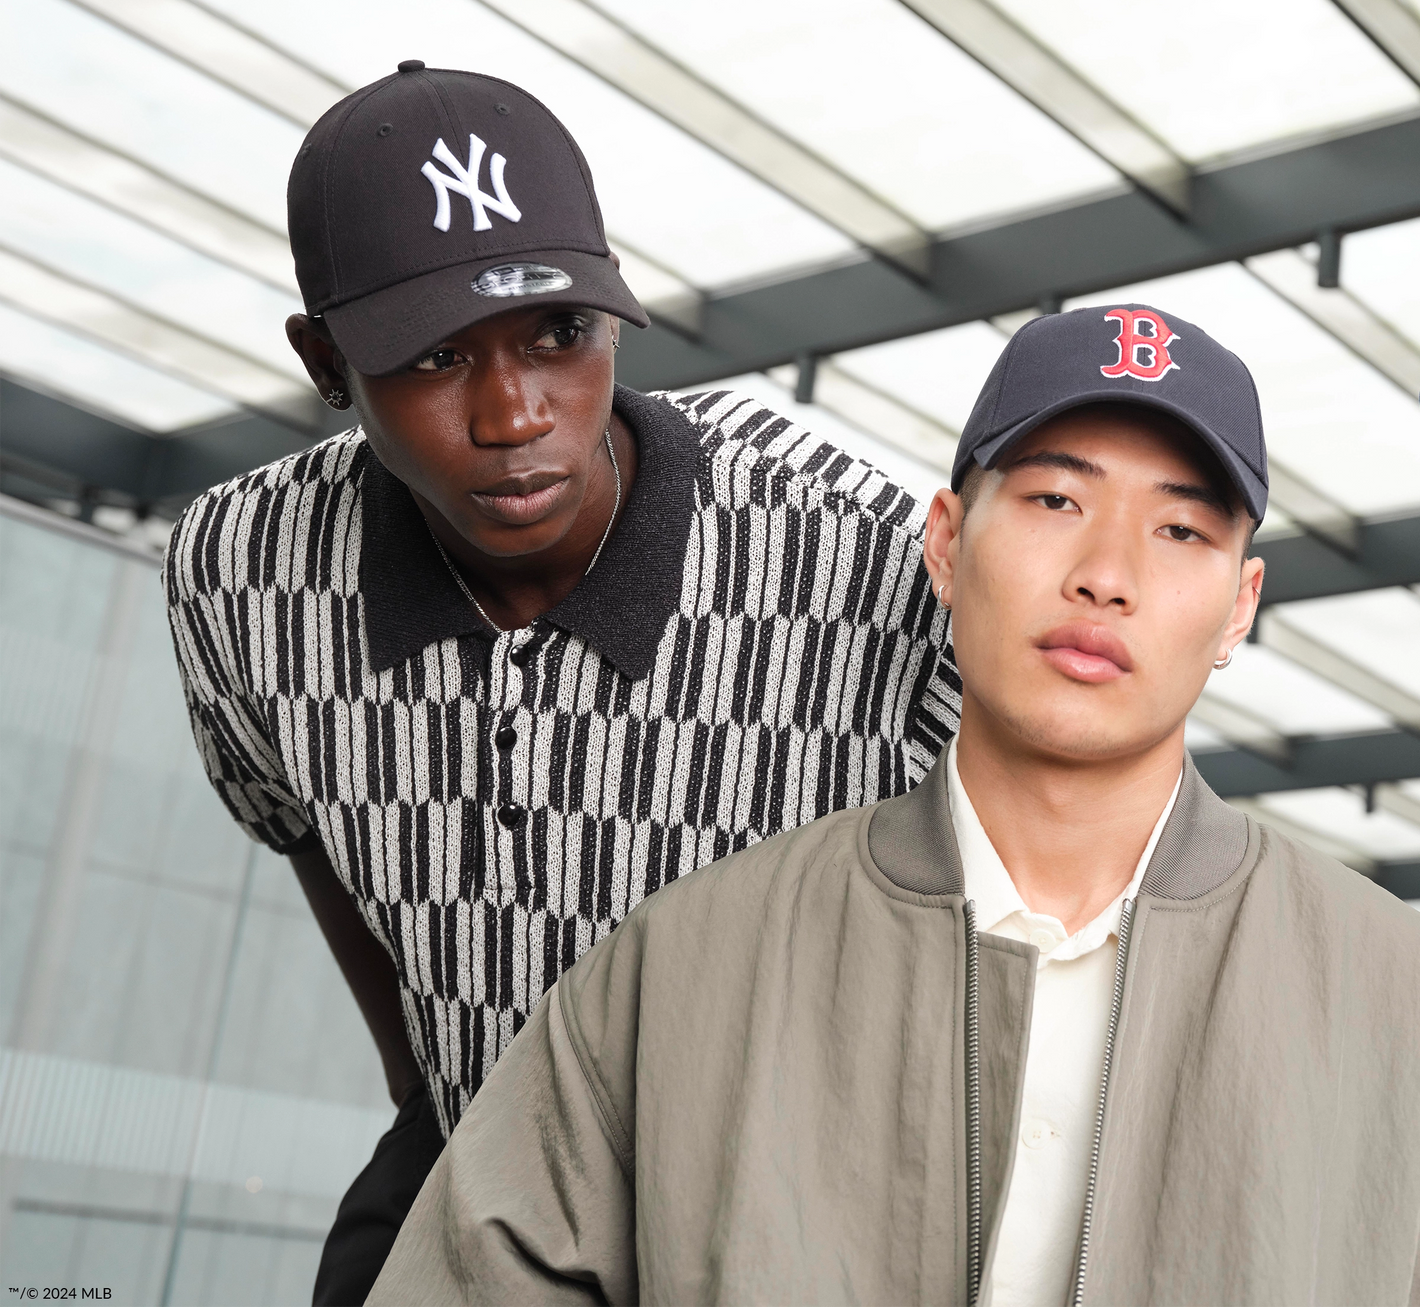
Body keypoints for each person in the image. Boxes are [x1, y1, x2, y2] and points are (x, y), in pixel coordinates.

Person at [366, 305, 1420, 1307]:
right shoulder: (690, 963)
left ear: (1240, 605)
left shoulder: (1389, 997)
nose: (1107, 574)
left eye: (1182, 530)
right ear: (947, 544)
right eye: (1056, 500)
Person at [162, 61, 960, 1304]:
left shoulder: (863, 552)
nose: (514, 412)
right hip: (475, 1163)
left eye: (558, 334)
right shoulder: (242, 575)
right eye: (433, 357)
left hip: (789, 1213)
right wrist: (430, 1083)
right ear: (326, 363)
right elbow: (297, 824)